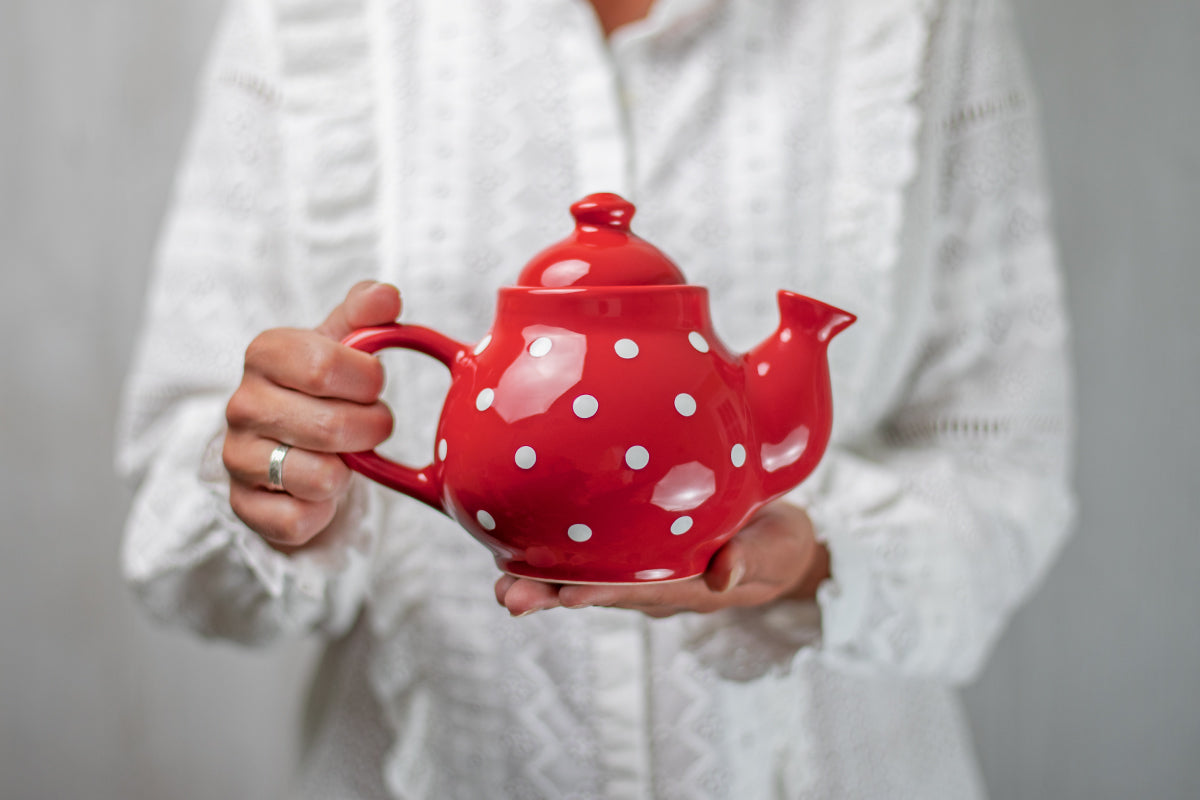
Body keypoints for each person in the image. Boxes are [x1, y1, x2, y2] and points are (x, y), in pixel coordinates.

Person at [117, 0, 1076, 797]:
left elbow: (1005, 470)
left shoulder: (911, 20)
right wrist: (281, 477)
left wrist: (813, 559)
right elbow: (171, 524)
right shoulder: (313, 23)